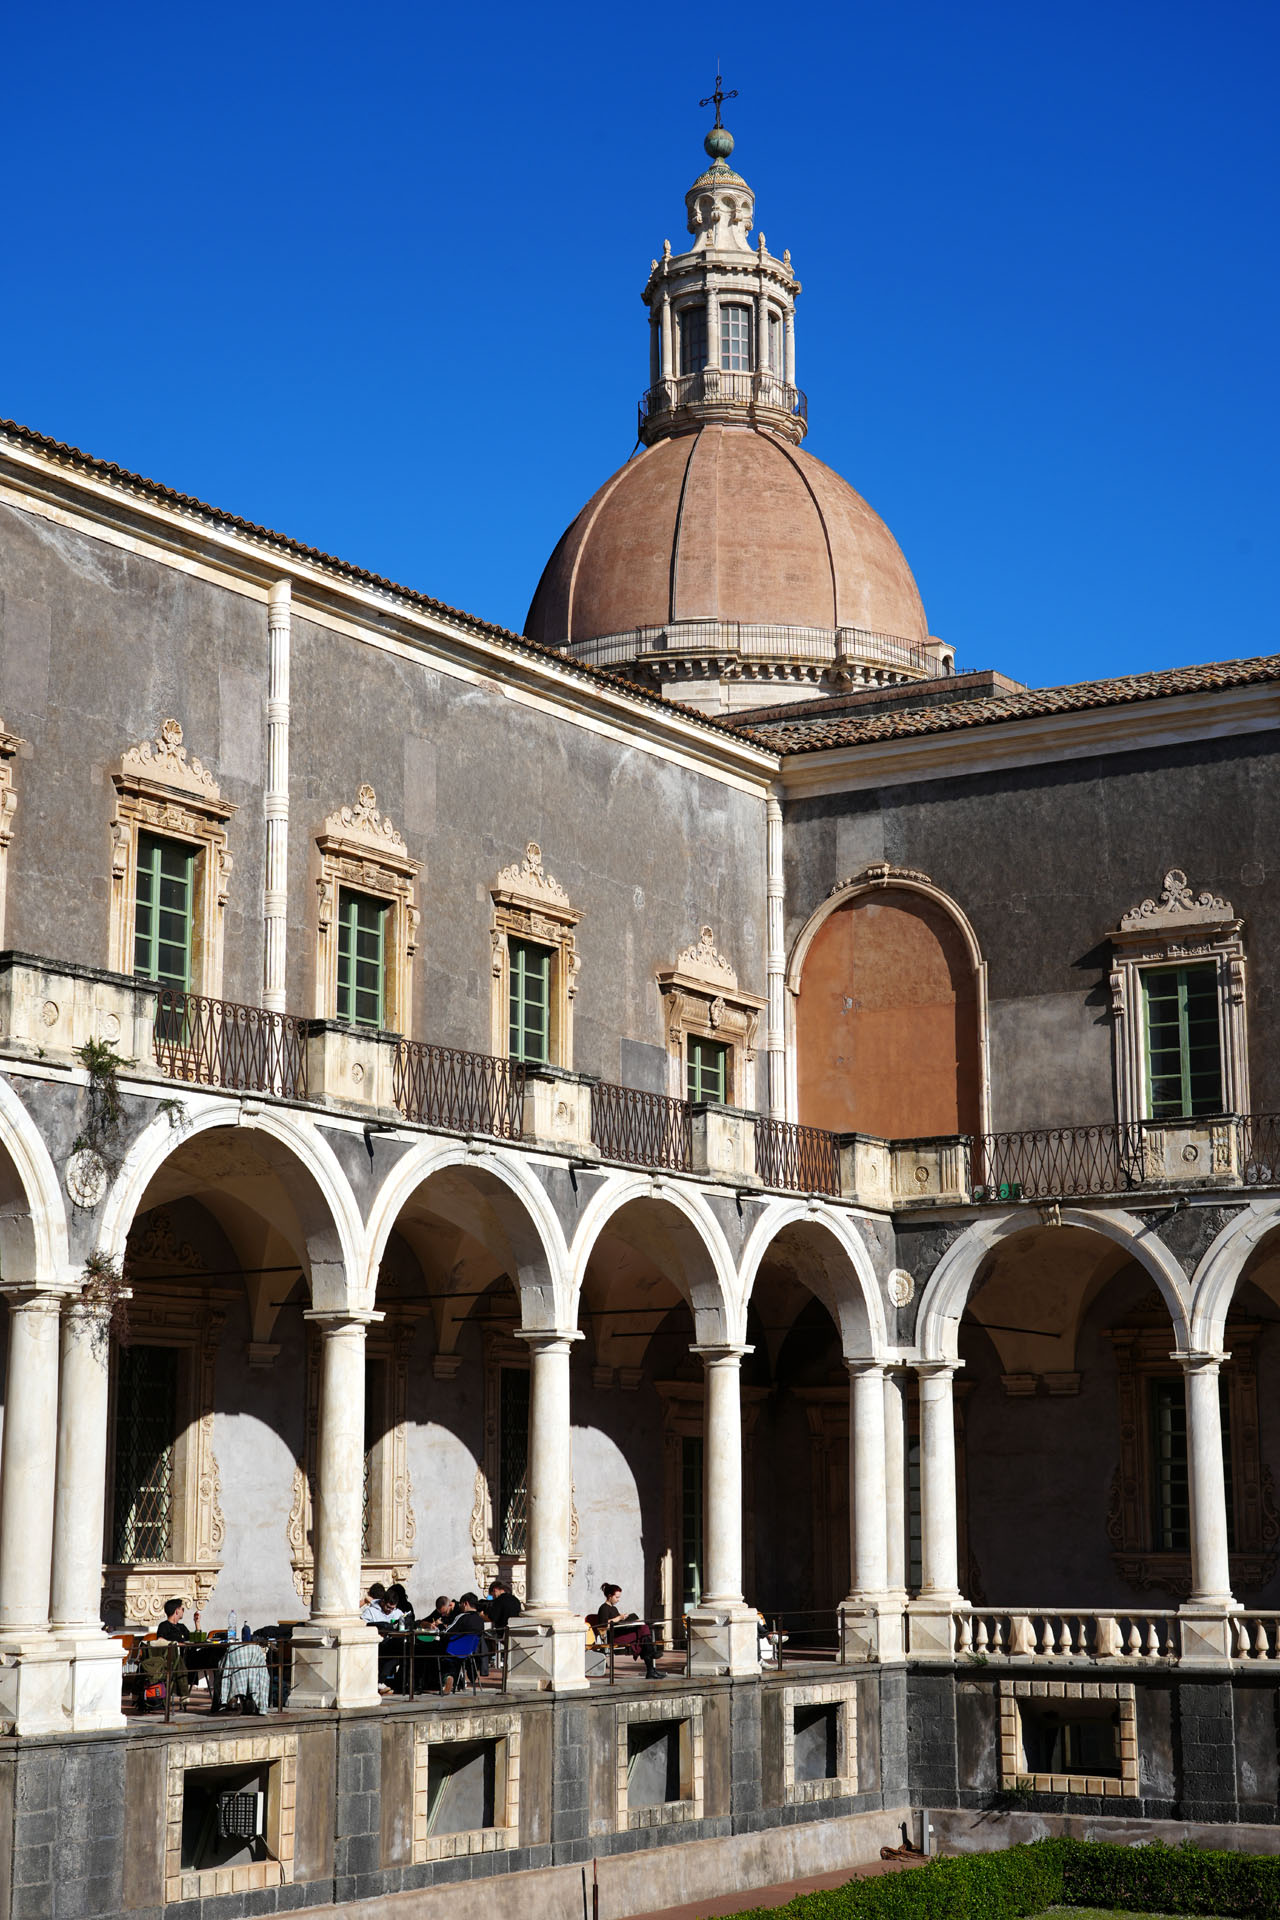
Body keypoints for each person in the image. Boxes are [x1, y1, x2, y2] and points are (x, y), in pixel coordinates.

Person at [590, 1583, 658, 1679]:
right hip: (614, 1637)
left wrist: (627, 1619)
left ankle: (651, 1669)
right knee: (644, 1632)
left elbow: (619, 1622)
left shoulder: (613, 1608)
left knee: (643, 1632)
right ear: (610, 1596)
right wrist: (619, 1618)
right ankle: (651, 1666)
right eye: (617, 1597)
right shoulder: (603, 1608)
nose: (618, 1600)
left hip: (620, 1632)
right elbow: (603, 1625)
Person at [441, 1593, 485, 1694]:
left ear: (465, 1604)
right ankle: (454, 1681)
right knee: (456, 1660)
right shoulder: (480, 1620)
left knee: (435, 1654)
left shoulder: (462, 1617)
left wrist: (440, 1628)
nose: (460, 1607)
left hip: (454, 1650)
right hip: (470, 1652)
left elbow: (447, 1632)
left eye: (461, 1604)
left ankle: (447, 1678)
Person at [478, 1579, 521, 1676]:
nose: (493, 1597)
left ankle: (486, 1664)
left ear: (495, 1590)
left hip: (502, 1632)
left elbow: (492, 1617)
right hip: (515, 1631)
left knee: (482, 1636)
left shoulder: (499, 1600)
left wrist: (481, 1616)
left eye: (492, 1594)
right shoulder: (515, 1599)